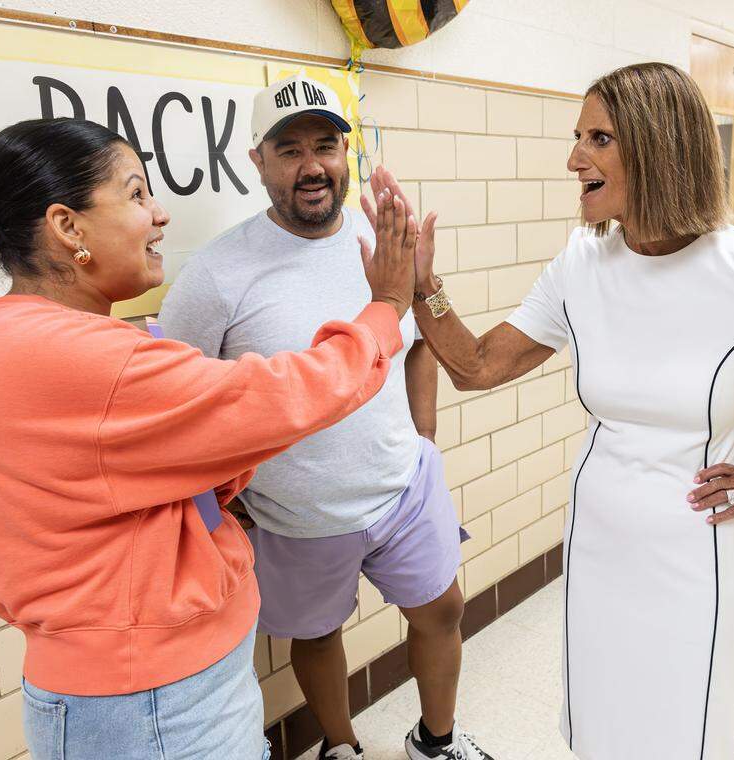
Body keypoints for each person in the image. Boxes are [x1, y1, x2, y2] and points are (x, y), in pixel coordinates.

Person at [368, 63, 734, 760]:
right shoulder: (583, 260)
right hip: (599, 538)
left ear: (659, 146)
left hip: (695, 553)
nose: (575, 158)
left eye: (598, 139)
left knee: (679, 737)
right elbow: (479, 366)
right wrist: (424, 288)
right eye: (579, 137)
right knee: (603, 728)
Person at [0, 116, 417, 760]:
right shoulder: (83, 358)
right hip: (150, 706)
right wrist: (385, 307)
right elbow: (286, 396)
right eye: (135, 194)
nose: (159, 215)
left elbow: (197, 453)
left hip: (153, 691)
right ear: (68, 227)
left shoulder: (29, 334)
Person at [159, 74, 492, 760]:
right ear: (257, 161)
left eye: (325, 145)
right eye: (289, 151)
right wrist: (220, 501)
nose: (312, 166)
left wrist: (424, 436)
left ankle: (436, 743)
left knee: (444, 611)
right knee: (315, 636)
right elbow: (179, 403)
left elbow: (418, 344)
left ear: (348, 154)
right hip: (294, 512)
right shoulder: (216, 274)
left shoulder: (381, 239)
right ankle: (341, 747)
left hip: (403, 485)